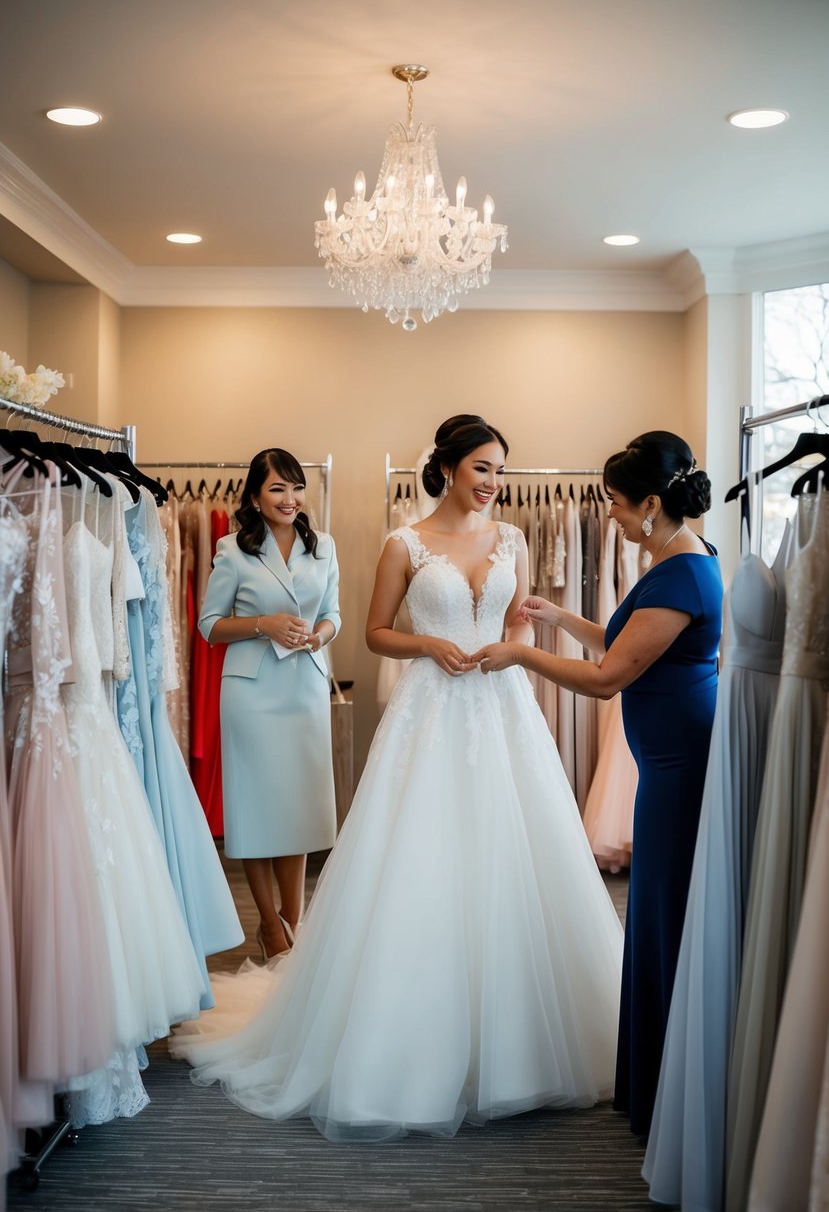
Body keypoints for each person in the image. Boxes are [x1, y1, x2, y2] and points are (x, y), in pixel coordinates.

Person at [171, 415, 623, 1142]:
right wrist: (428, 645)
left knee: (515, 855)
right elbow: (375, 631)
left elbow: (520, 621)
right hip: (433, 709)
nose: (492, 484)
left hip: (503, 707)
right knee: (423, 856)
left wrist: (512, 648)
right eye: (481, 469)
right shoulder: (403, 543)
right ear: (446, 468)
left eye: (499, 471)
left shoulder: (510, 538)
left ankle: (529, 1040)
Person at [475, 430, 723, 1137]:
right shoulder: (674, 560)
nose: (609, 516)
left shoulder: (680, 574)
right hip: (669, 761)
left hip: (680, 769)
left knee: (662, 916)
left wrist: (522, 654)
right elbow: (622, 641)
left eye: (615, 504)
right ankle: (660, 1083)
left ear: (650, 504)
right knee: (655, 913)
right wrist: (556, 620)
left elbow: (608, 678)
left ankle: (671, 1093)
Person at [199, 448, 340, 960]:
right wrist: (265, 625)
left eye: (296, 487)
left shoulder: (323, 546)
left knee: (299, 807)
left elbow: (334, 614)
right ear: (255, 497)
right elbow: (209, 625)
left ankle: (293, 918)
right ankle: (269, 925)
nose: (290, 498)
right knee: (256, 810)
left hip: (304, 688)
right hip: (252, 694)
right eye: (277, 489)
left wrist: (319, 636)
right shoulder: (232, 550)